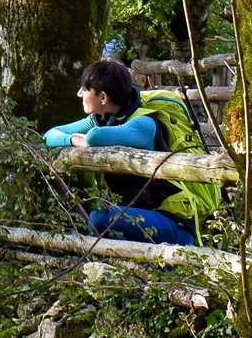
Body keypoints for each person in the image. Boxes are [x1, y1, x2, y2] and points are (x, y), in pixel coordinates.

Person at [43, 57, 216, 247]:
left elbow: (94, 138)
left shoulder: (144, 124)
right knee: (99, 221)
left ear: (103, 98)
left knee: (100, 218)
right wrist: (73, 139)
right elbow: (50, 135)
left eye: (84, 89)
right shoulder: (104, 118)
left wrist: (87, 140)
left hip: (173, 222)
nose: (79, 94)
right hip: (144, 216)